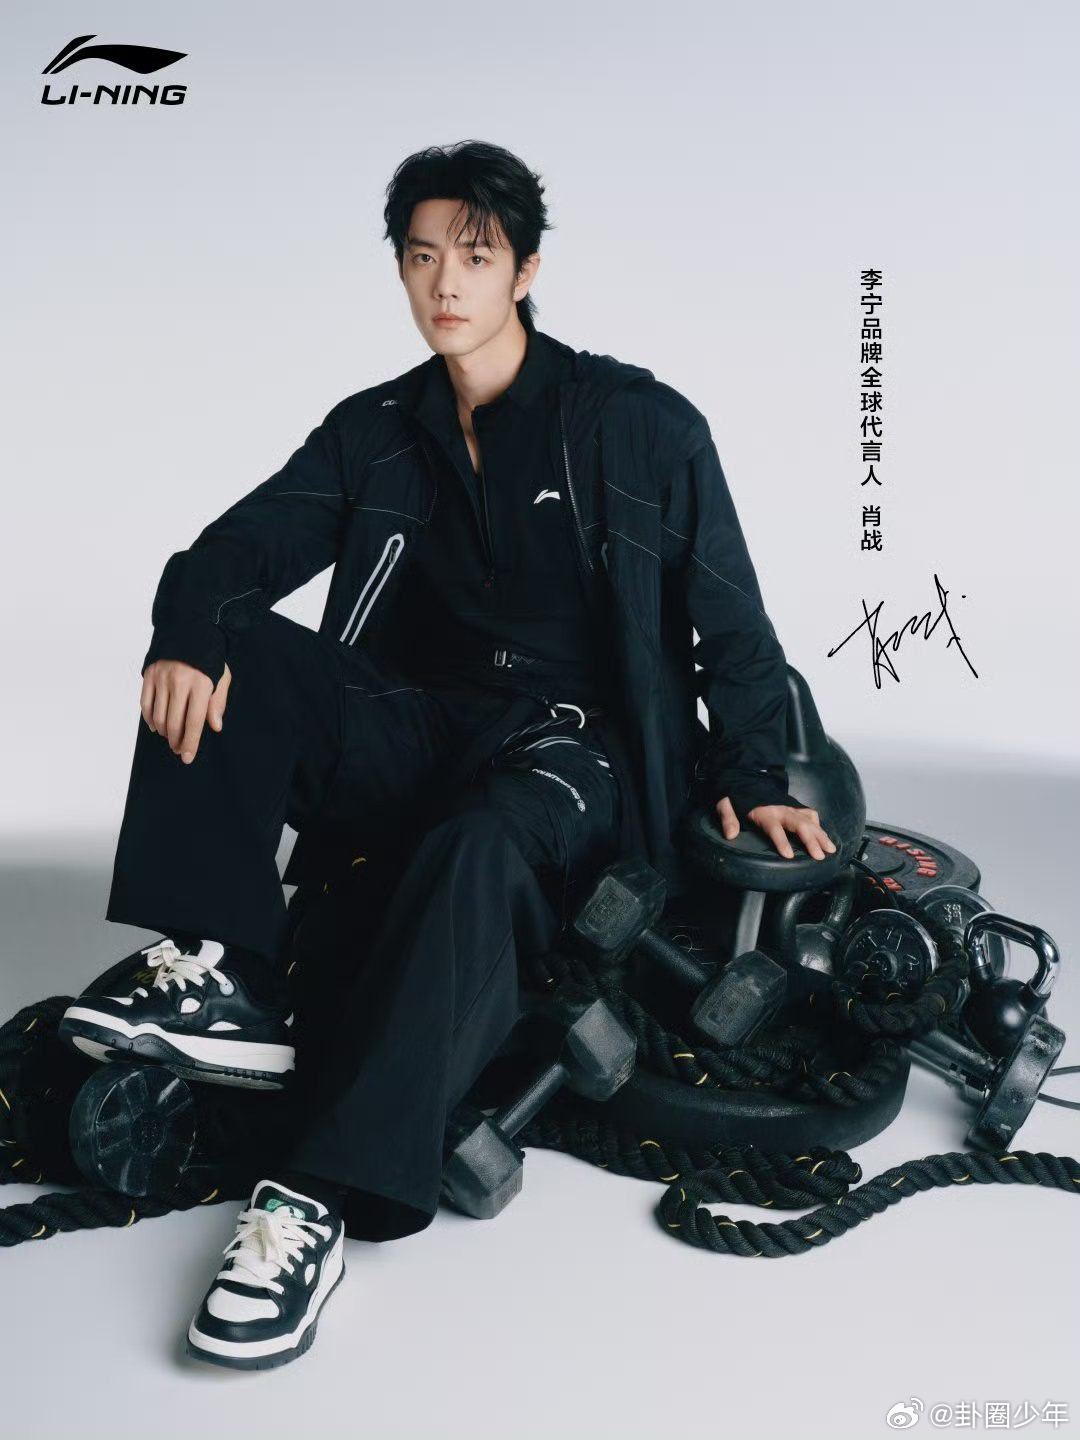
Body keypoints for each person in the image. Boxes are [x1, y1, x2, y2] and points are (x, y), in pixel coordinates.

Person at [57, 139, 835, 1371]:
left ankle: (315, 1203)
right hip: (417, 720)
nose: (446, 284)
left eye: (474, 256)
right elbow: (236, 549)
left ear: (526, 269)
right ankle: (224, 966)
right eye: (422, 257)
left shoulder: (639, 425)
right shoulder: (376, 430)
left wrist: (752, 777)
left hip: (573, 748)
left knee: (479, 846)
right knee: (222, 636)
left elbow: (731, 621)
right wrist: (188, 633)